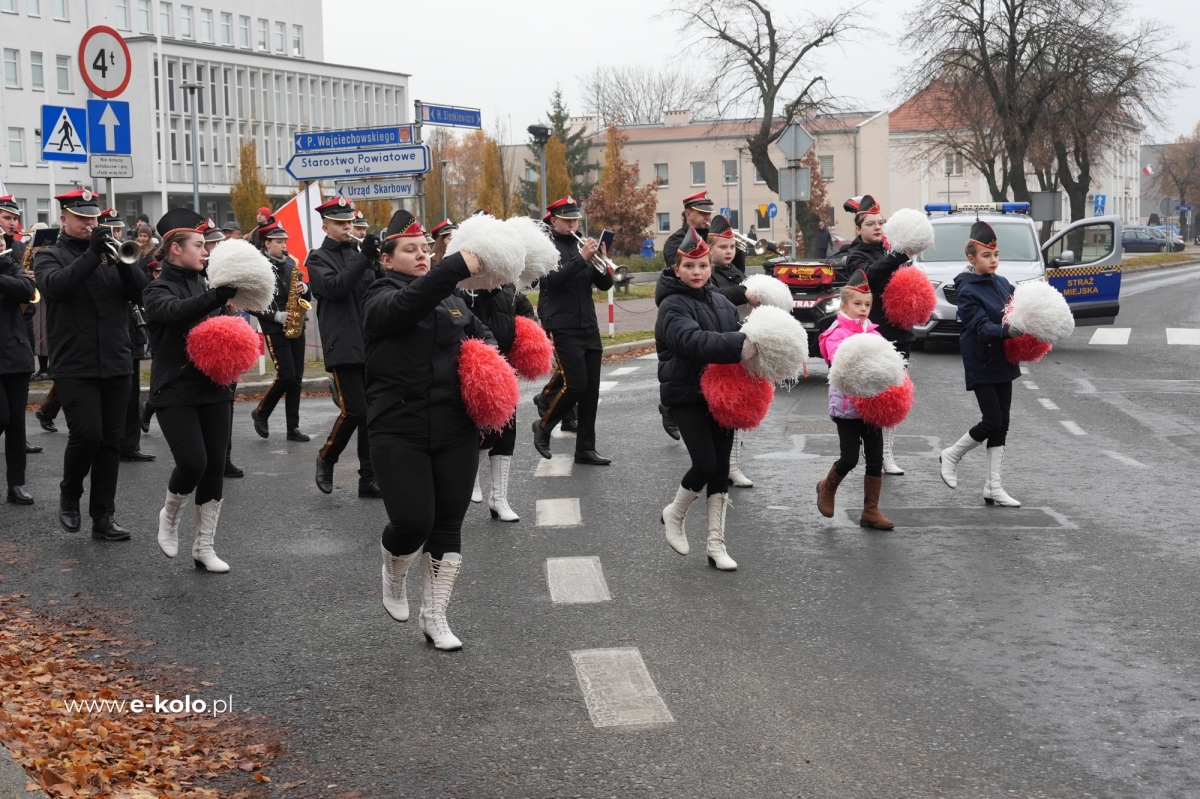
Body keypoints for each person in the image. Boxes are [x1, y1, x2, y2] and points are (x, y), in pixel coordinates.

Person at [363, 209, 493, 651]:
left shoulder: (451, 299)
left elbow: (483, 337)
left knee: (449, 525)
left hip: (455, 427)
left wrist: (491, 366)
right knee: (413, 521)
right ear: (386, 258)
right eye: (409, 249)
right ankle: (394, 568)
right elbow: (408, 305)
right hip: (399, 428)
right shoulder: (379, 297)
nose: (421, 254)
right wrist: (455, 266)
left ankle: (435, 615)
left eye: (425, 248)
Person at [34, 190, 149, 540]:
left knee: (111, 443)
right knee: (87, 434)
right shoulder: (49, 255)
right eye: (81, 218)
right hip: (75, 363)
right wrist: (92, 253)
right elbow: (58, 286)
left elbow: (139, 292)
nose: (89, 224)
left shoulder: (112, 255)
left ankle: (103, 516)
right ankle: (70, 494)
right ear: (64, 220)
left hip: (116, 359)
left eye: (93, 218)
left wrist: (123, 263)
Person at [142, 208, 239, 572]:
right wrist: (217, 296)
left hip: (214, 387)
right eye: (199, 245)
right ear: (175, 248)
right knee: (193, 462)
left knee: (214, 466)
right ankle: (168, 516)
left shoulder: (207, 283)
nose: (206, 252)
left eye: (206, 245)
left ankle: (204, 546)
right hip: (175, 389)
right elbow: (175, 312)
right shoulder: (156, 287)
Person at [655, 228, 750, 570]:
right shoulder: (671, 306)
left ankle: (715, 544)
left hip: (722, 395)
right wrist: (740, 346)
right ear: (677, 269)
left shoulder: (723, 303)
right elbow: (693, 342)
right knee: (705, 463)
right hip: (686, 393)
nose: (697, 272)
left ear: (711, 267)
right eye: (690, 266)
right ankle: (675, 514)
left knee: (721, 470)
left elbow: (742, 336)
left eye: (703, 266)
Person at [939, 220, 1022, 508]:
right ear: (971, 258)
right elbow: (979, 327)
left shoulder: (1002, 283)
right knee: (992, 420)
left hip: (1004, 359)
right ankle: (952, 454)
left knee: (1003, 424)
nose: (993, 261)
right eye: (987, 256)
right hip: (982, 360)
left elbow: (1016, 311)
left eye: (996, 255)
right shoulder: (966, 288)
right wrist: (1008, 331)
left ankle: (993, 487)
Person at [307, 196, 381, 498]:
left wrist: (382, 258)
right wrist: (365, 257)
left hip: (371, 342)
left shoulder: (361, 254)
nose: (348, 227)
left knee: (373, 414)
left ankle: (368, 479)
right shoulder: (317, 258)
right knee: (355, 411)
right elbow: (336, 288)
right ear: (326, 226)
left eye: (350, 222)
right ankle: (326, 457)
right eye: (340, 223)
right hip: (343, 344)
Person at [531, 196, 614, 465]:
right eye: (567, 220)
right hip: (561, 321)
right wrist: (582, 258)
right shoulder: (546, 248)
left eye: (575, 220)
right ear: (553, 221)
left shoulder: (584, 246)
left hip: (587, 322)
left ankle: (585, 449)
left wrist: (602, 261)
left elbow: (603, 285)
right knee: (576, 385)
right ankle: (543, 427)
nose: (572, 224)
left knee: (592, 390)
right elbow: (552, 280)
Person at [814, 284, 895, 530]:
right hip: (847, 407)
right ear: (844, 305)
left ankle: (871, 511)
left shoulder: (873, 332)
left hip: (872, 405)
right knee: (849, 458)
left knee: (875, 458)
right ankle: (827, 487)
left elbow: (886, 361)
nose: (863, 309)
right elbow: (838, 361)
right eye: (857, 304)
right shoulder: (835, 332)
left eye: (867, 304)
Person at [844, 194, 911, 476]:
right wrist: (898, 256)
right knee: (875, 392)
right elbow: (867, 276)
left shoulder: (891, 250)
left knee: (896, 392)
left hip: (900, 330)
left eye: (881, 222)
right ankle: (874, 450)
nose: (877, 227)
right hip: (874, 332)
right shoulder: (855, 255)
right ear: (858, 228)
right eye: (870, 223)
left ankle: (887, 454)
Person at [459, 280, 537, 522]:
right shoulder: (464, 286)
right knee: (480, 430)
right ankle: (471, 478)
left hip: (503, 367)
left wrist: (529, 336)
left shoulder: (510, 289)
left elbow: (526, 313)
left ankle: (499, 498)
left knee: (506, 432)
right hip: (473, 368)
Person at [93, 208, 156, 466]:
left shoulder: (127, 253)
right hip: (111, 332)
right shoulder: (98, 257)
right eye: (112, 230)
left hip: (130, 328)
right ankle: (113, 443)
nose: (116, 234)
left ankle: (131, 444)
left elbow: (141, 288)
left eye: (119, 230)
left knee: (132, 392)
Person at [704, 215, 761, 488]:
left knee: (736, 410)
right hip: (718, 345)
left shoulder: (735, 272)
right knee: (719, 409)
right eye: (723, 247)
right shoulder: (706, 272)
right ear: (709, 248)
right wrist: (743, 293)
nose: (729, 251)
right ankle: (720, 465)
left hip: (739, 343)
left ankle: (732, 465)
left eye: (731, 247)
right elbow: (714, 297)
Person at [249, 222, 310, 442]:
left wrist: (305, 289)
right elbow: (250, 303)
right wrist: (276, 316)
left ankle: (292, 429)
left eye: (285, 241)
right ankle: (261, 412)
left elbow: (305, 297)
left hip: (296, 324)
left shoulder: (291, 264)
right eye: (279, 241)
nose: (284, 245)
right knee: (287, 375)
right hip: (276, 327)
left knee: (297, 379)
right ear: (266, 243)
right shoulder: (258, 268)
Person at [0, 196, 43, 455]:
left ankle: (19, 439)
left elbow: (28, 284)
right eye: (7, 218)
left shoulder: (16, 248)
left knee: (19, 396)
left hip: (20, 322)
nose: (13, 223)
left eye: (15, 218)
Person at [0, 232, 37, 504]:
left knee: (16, 424)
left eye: (1, 238)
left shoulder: (12, 266)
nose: (1, 241)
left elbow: (27, 290)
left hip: (14, 356)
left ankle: (16, 484)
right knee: (2, 417)